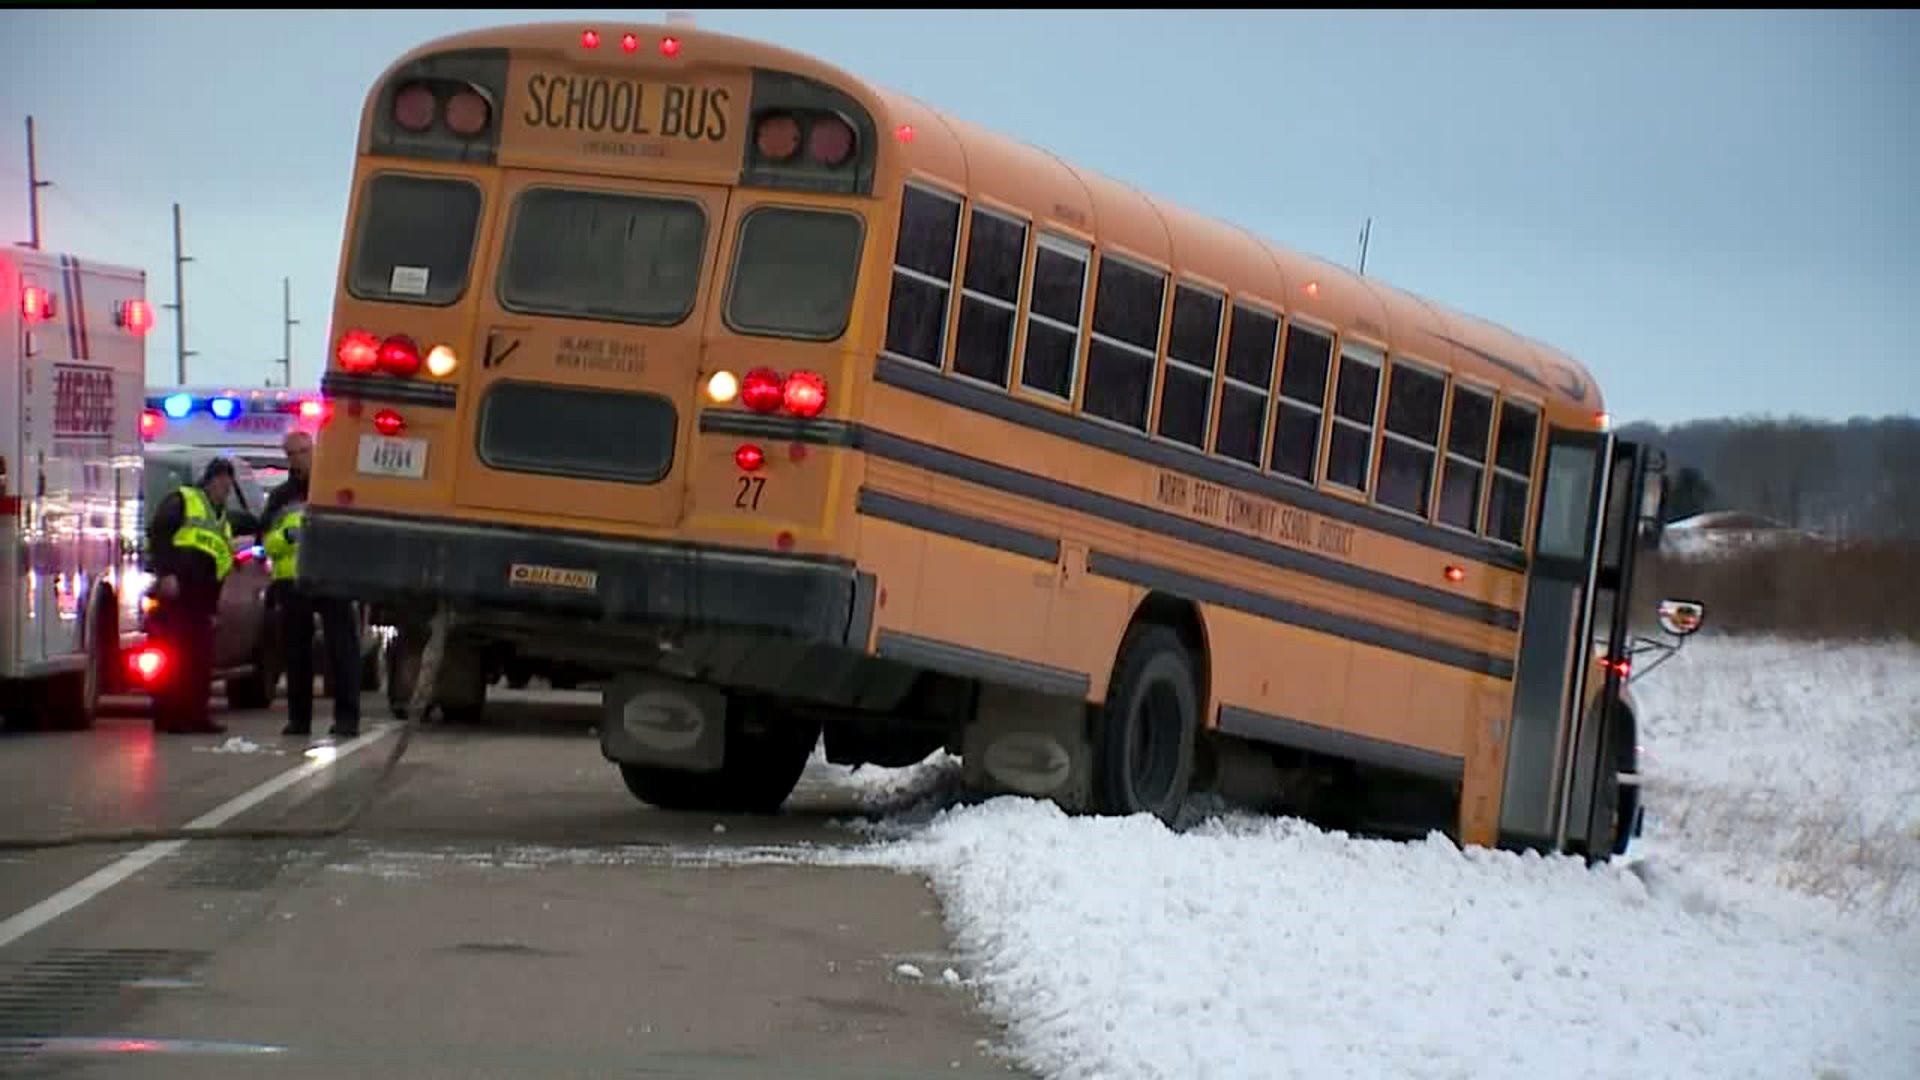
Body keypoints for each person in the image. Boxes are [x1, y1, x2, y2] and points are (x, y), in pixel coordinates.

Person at [263, 430, 361, 738]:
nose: (297, 460)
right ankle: (299, 720)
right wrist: (287, 538)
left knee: (342, 651)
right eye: (291, 454)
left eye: (302, 452)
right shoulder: (281, 496)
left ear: (314, 450)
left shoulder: (335, 489)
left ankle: (347, 720)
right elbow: (265, 540)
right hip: (292, 582)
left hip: (332, 577)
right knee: (296, 655)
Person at [144, 457, 239, 735]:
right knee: (173, 657)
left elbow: (220, 567)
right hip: (178, 594)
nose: (225, 488)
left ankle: (195, 716)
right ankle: (168, 716)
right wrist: (167, 573)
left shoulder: (222, 519)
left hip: (201, 600)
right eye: (221, 481)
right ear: (209, 480)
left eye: (228, 483)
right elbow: (159, 533)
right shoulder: (184, 500)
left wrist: (213, 610)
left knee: (199, 662)